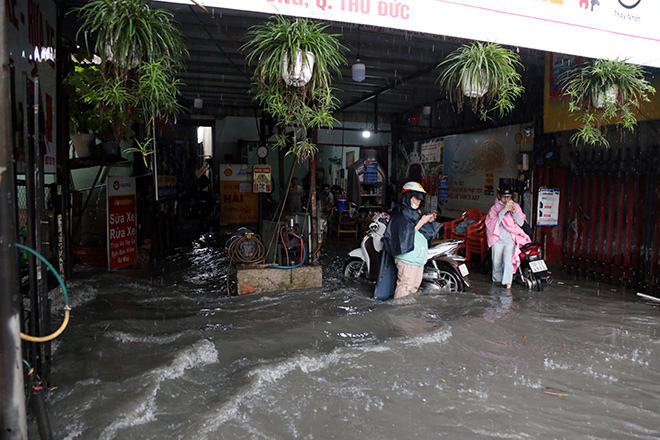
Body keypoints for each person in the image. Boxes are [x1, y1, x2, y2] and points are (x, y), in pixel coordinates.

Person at [374, 181, 439, 301]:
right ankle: (399, 314)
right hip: (407, 257)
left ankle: (408, 315)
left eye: (421, 199)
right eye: (417, 198)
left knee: (414, 287)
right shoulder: (400, 213)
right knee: (405, 286)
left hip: (418, 258)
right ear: (409, 197)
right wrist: (423, 221)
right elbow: (405, 232)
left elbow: (418, 226)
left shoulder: (415, 212)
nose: (420, 201)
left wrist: (428, 220)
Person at [485, 185, 531, 289]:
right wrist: (503, 211)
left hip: (510, 239)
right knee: (496, 263)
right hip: (497, 240)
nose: (506, 200)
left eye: (509, 197)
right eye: (504, 197)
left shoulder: (516, 207)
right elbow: (492, 224)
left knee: (507, 262)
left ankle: (508, 285)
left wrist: (514, 213)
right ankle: (496, 283)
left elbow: (521, 223)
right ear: (499, 197)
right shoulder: (494, 209)